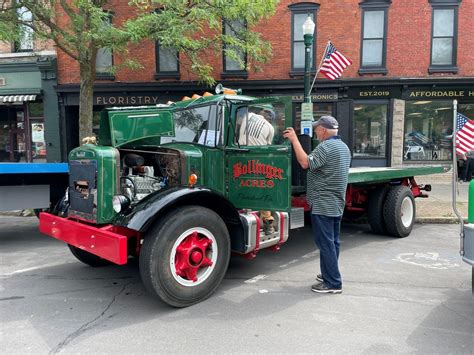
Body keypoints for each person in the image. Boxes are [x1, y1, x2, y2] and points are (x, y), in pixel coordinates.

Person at [283, 116, 351, 294]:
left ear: (323, 129)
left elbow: (305, 162)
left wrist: (294, 140)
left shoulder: (326, 147)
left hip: (323, 202)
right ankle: (329, 273)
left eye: (316, 129)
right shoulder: (343, 147)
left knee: (326, 243)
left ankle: (333, 283)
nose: (315, 132)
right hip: (336, 202)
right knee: (333, 242)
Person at [237, 108, 275, 235]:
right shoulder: (270, 127)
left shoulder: (249, 115)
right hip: (259, 160)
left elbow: (237, 122)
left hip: (241, 158)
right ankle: (267, 222)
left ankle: (240, 212)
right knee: (263, 188)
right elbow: (267, 147)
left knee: (240, 184)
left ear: (260, 113)